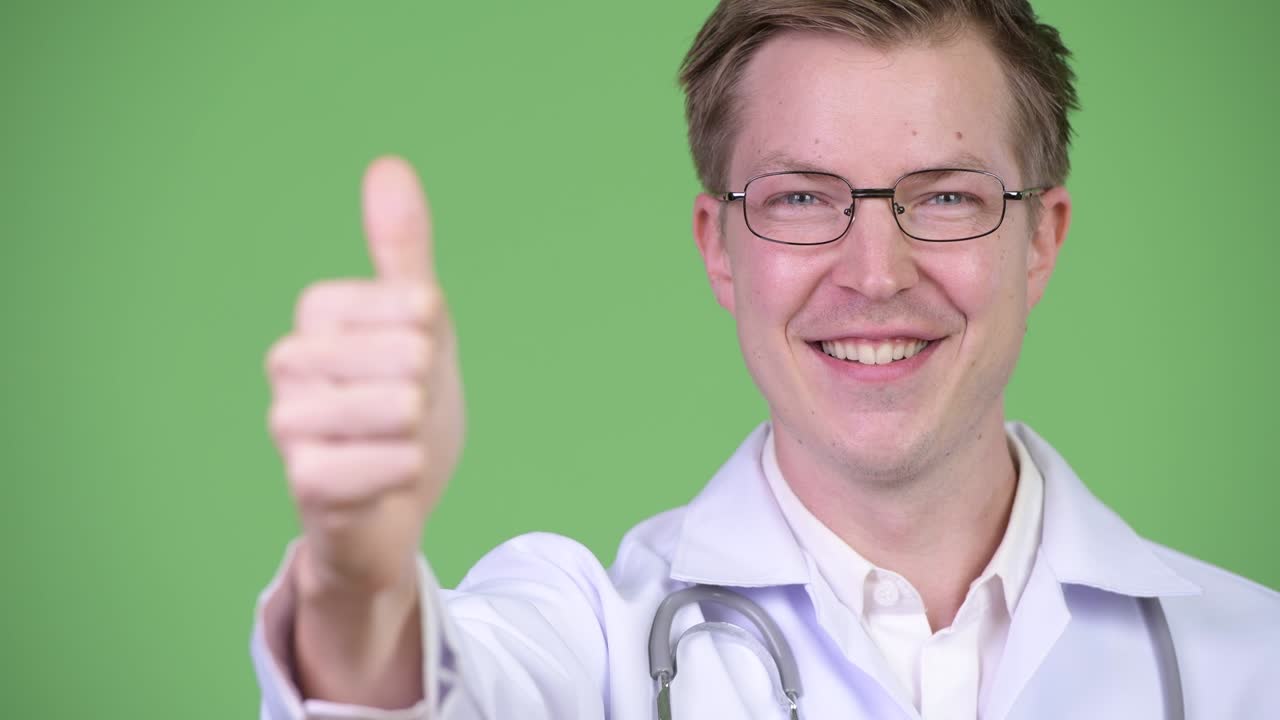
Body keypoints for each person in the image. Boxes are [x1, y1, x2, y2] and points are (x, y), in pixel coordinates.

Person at [252, 0, 1280, 717]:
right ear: (718, 248)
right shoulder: (594, 641)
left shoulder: (1257, 663)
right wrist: (358, 586)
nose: (874, 272)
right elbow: (416, 699)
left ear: (1040, 238)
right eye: (798, 197)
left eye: (945, 196)